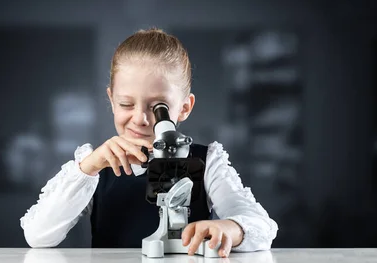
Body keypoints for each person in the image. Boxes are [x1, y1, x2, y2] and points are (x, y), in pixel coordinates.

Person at [20, 28, 278, 258]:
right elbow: (38, 235)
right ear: (111, 100)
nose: (141, 118)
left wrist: (229, 228)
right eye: (126, 104)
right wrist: (87, 168)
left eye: (158, 107)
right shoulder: (95, 166)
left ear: (185, 107)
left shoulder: (206, 161)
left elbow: (261, 226)